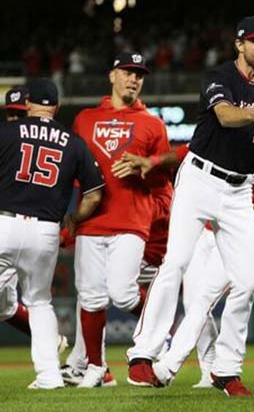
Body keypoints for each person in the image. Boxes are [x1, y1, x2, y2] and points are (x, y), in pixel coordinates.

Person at [125, 16, 254, 397]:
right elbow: (224, 115)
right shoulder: (219, 77)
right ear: (240, 45)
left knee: (248, 282)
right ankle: (142, 355)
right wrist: (251, 112)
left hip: (239, 192)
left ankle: (226, 369)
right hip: (200, 179)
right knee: (175, 263)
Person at [113, 142, 254, 388]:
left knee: (204, 299)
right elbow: (185, 152)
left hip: (239, 238)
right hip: (205, 230)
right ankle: (209, 370)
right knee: (193, 302)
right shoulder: (222, 143)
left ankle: (167, 368)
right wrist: (152, 162)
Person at [70, 52, 171, 388]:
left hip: (131, 219)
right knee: (91, 296)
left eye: (139, 74)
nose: (134, 79)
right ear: (112, 75)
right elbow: (74, 174)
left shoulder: (153, 124)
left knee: (124, 293)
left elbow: (162, 180)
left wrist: (146, 165)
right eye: (127, 72)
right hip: (92, 220)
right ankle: (97, 368)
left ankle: (157, 335)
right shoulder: (85, 119)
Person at [0, 78, 104, 389]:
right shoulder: (73, 142)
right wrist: (74, 218)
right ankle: (48, 376)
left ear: (28, 103)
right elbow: (95, 193)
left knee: (25, 303)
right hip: (46, 230)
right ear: (56, 107)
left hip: (5, 222)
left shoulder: (7, 132)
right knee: (39, 302)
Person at [0, 85, 68, 358]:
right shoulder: (7, 142)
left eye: (20, 114)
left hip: (18, 227)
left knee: (37, 301)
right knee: (6, 307)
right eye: (12, 115)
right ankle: (53, 344)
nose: (17, 120)